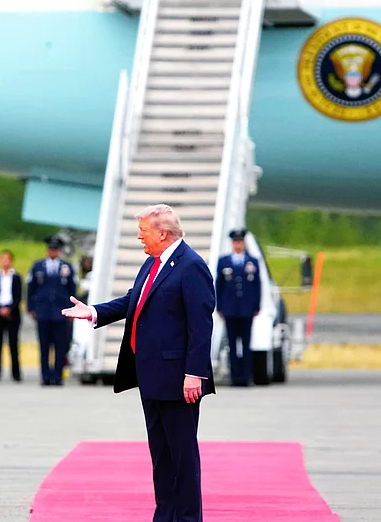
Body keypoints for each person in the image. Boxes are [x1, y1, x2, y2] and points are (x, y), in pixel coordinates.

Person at [62, 204, 215, 522]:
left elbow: (201, 325)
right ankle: (165, 515)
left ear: (163, 233)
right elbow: (134, 299)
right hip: (151, 376)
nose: (139, 237)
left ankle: (188, 518)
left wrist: (194, 374)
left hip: (178, 380)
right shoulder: (152, 263)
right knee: (161, 456)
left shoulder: (191, 266)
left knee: (183, 457)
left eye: (143, 231)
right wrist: (93, 312)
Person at [27, 235, 76, 386]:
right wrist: (31, 308)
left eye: (55, 249)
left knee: (60, 345)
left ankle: (58, 375)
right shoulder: (38, 266)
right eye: (50, 249)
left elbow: (72, 289)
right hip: (43, 311)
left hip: (60, 311)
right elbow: (30, 289)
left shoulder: (66, 267)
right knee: (44, 345)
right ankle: (45, 375)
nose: (53, 252)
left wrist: (72, 309)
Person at [215, 228, 261, 387]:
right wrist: (219, 306)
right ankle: (235, 377)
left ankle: (246, 376)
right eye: (235, 242)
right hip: (230, 309)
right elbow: (219, 286)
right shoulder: (224, 262)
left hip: (246, 309)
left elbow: (257, 285)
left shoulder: (252, 262)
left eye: (240, 241)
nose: (238, 244)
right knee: (233, 344)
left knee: (246, 343)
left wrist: (256, 305)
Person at [0, 249, 23, 382]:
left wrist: (10, 308)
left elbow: (19, 296)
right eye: (2, 259)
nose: (5, 262)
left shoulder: (17, 277)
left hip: (12, 313)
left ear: (11, 261)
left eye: (7, 259)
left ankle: (16, 373)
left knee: (13, 344)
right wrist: (0, 309)